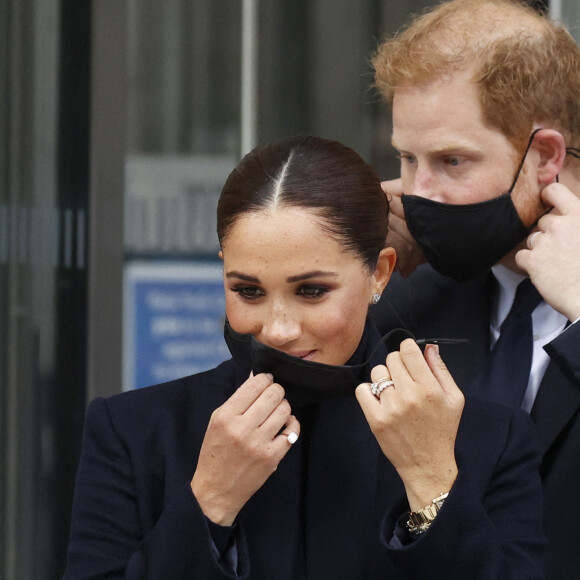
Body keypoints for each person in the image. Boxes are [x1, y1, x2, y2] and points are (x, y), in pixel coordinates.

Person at [63, 136, 545, 579]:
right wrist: (209, 501)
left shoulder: (486, 438)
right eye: (247, 290)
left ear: (379, 273)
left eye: (312, 291)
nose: (277, 329)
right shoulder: (132, 432)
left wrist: (432, 482)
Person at [369, 1, 580, 578]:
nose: (420, 192)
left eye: (451, 160)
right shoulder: (406, 299)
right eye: (408, 159)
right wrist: (348, 273)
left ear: (544, 157)